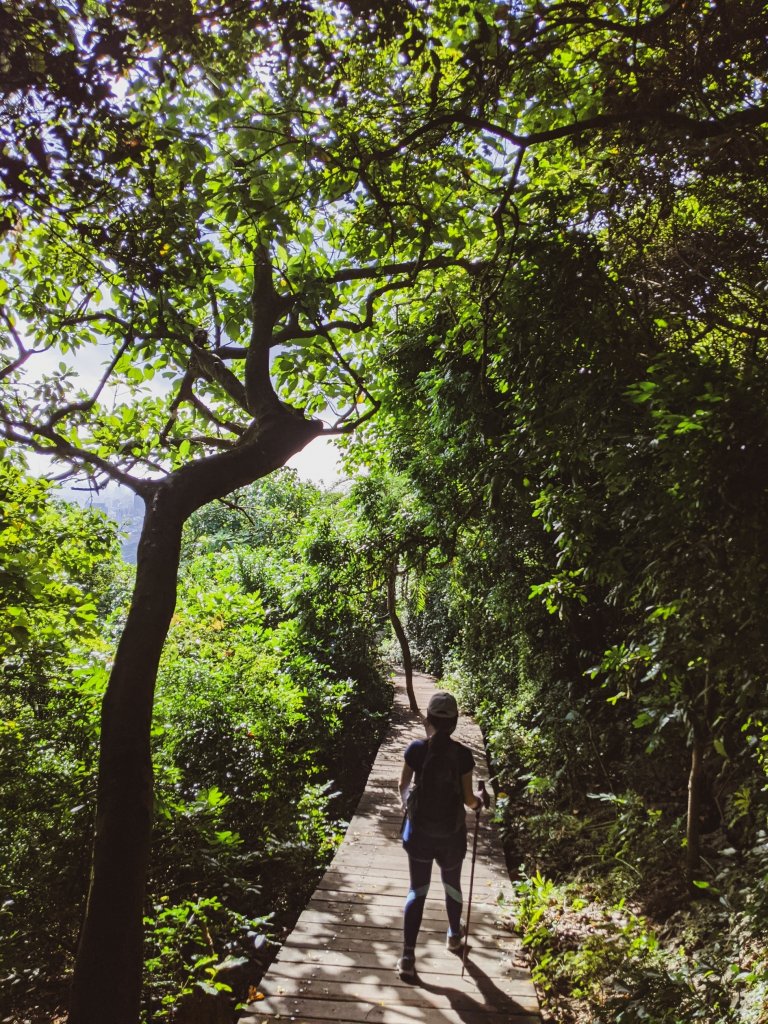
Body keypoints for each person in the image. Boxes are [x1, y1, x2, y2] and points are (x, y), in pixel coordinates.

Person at [396, 690, 489, 979]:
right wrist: (480, 802)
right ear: (455, 722)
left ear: (430, 718)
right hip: (451, 835)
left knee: (417, 890)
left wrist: (410, 808)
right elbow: (467, 800)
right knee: (451, 885)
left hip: (419, 833)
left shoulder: (415, 749)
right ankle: (453, 936)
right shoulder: (463, 755)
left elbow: (403, 788)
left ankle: (408, 958)